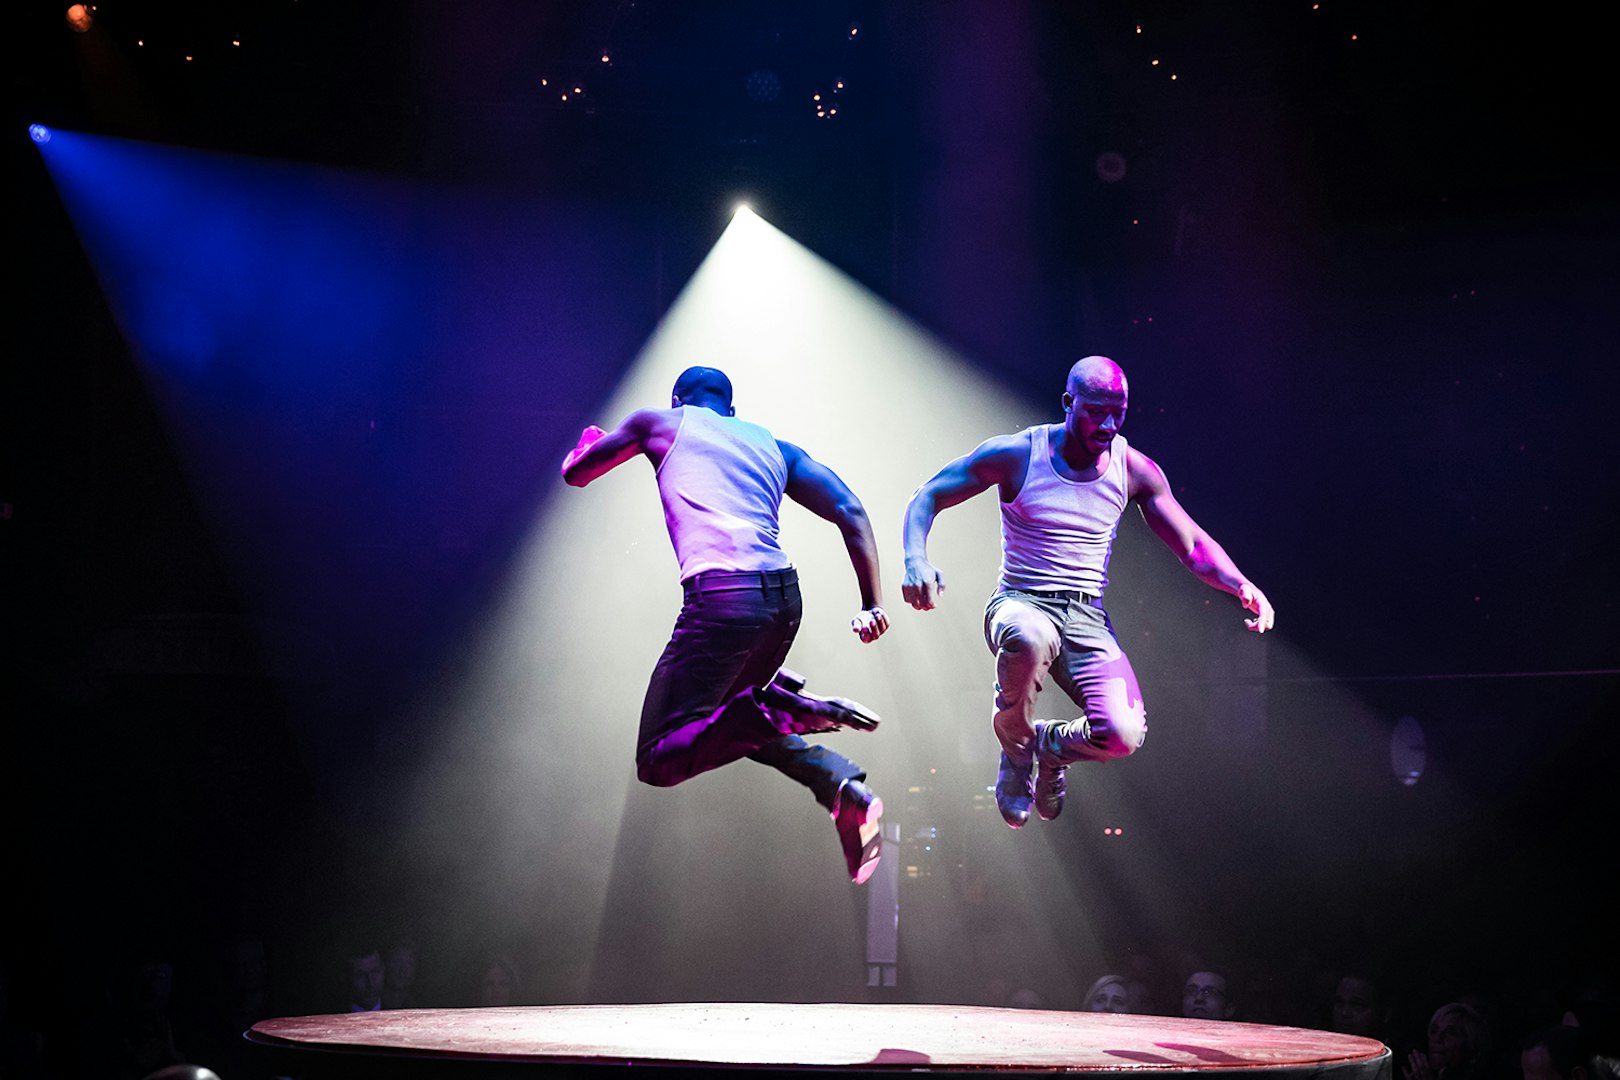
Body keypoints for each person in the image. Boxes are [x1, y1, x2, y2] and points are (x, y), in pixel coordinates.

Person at [900, 355, 1274, 827]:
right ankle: (1017, 751)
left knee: (1122, 733)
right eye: (1096, 410)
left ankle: (1050, 749)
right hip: (1020, 602)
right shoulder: (1019, 454)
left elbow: (1193, 543)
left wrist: (1241, 584)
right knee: (1029, 637)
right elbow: (927, 496)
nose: (1109, 423)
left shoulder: (1134, 470)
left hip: (1086, 617)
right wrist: (916, 559)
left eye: (1118, 411)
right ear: (1068, 403)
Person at [562, 365, 891, 882]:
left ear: (677, 401)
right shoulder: (773, 446)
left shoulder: (659, 423)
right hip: (783, 604)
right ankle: (838, 785)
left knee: (658, 757)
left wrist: (586, 441)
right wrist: (871, 602)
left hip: (722, 601)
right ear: (732, 412)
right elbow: (850, 508)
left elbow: (576, 473)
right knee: (721, 720)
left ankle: (794, 710)